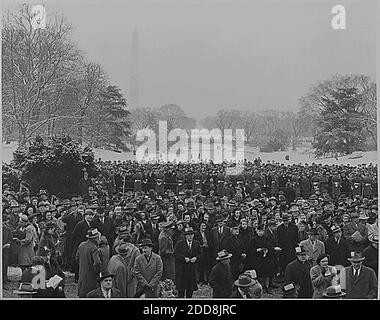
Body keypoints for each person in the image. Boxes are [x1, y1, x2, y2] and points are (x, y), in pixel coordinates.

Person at [174, 227, 201, 298]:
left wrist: (196, 258)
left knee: (190, 289)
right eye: (188, 235)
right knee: (181, 290)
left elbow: (200, 254)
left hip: (192, 269)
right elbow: (176, 254)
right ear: (185, 236)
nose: (190, 236)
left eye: (191, 234)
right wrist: (184, 258)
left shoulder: (196, 243)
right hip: (183, 269)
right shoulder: (180, 243)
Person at [75, 228, 103, 298]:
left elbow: (76, 257)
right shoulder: (94, 248)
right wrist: (97, 272)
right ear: (96, 238)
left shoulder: (81, 245)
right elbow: (97, 263)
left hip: (82, 274)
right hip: (91, 277)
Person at [277, 213, 299, 278]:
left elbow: (296, 238)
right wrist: (280, 247)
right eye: (284, 221)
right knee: (283, 262)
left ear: (289, 220)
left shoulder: (294, 227)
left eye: (286, 220)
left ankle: (292, 275)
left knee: (291, 261)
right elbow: (278, 238)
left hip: (291, 247)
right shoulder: (279, 228)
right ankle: (284, 274)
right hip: (283, 248)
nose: (285, 222)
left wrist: (295, 247)